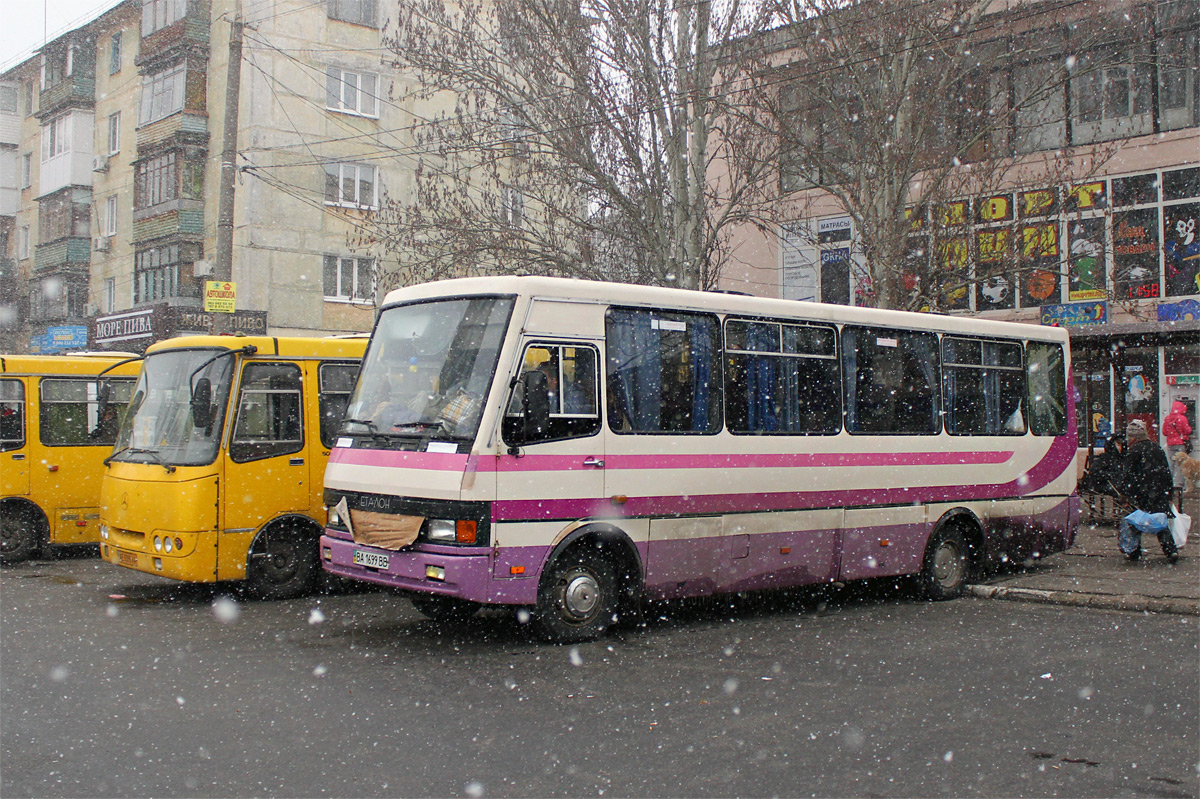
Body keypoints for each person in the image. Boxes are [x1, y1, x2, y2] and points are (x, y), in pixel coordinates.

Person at [1118, 418, 1178, 563]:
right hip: (1158, 491)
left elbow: (1128, 474)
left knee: (1135, 522)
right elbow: (1166, 471)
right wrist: (1169, 491)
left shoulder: (1134, 451)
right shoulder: (1156, 448)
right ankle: (1170, 551)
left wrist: (1124, 494)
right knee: (1160, 522)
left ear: (1132, 437)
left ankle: (1133, 551)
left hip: (1140, 492)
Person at [1162, 400, 1193, 505]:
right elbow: (1188, 430)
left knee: (1171, 464)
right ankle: (1179, 484)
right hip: (1180, 443)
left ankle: (1168, 483)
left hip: (1170, 444)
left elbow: (1164, 432)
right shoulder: (1182, 418)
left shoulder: (1167, 418)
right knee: (1181, 465)